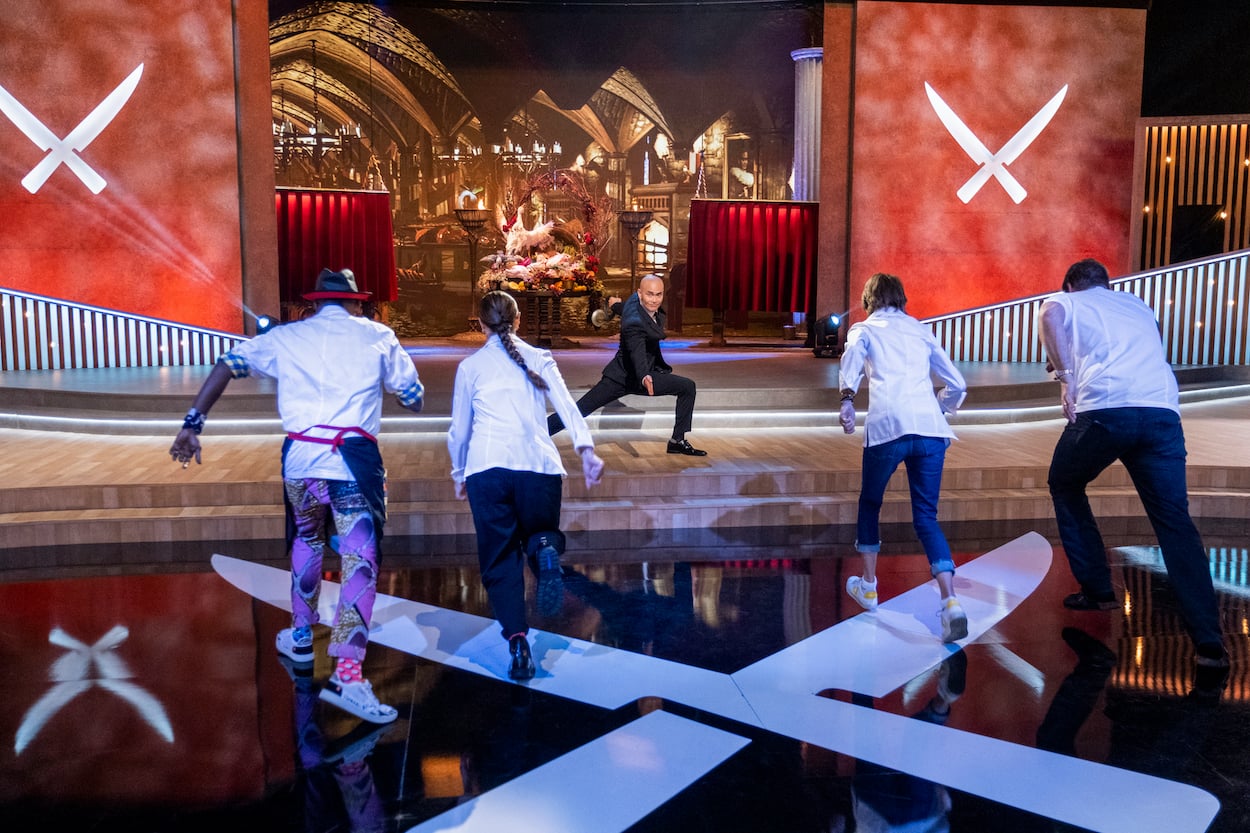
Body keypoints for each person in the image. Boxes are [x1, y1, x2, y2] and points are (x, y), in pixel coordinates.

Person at [169, 268, 424, 724]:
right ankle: (348, 675)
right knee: (359, 561)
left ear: (315, 302)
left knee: (306, 539)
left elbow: (227, 363)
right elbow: (412, 396)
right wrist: (392, 391)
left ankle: (301, 636)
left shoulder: (285, 338)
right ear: (356, 302)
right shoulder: (378, 337)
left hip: (301, 463)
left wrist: (193, 423)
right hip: (352, 465)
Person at [1039, 257, 1227, 668]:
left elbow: (1049, 315)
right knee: (1175, 521)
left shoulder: (1066, 301)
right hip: (1161, 412)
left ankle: (1098, 589)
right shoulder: (1136, 305)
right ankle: (1209, 642)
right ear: (1106, 284)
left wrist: (1066, 377)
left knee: (1065, 482)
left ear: (1070, 285)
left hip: (1106, 411)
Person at [449, 291, 605, 681]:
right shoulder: (540, 358)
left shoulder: (471, 367)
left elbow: (459, 430)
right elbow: (568, 407)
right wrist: (586, 451)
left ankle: (518, 642)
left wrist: (458, 473)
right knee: (539, 535)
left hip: (487, 470)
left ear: (480, 324)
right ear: (518, 320)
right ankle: (546, 548)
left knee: (500, 560)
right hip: (539, 467)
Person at [838, 272, 969, 642]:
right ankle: (950, 601)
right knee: (926, 517)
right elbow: (958, 383)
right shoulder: (920, 329)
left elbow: (851, 364)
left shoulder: (864, 329)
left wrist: (847, 400)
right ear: (901, 298)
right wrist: (940, 407)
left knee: (870, 503)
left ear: (868, 299)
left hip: (887, 428)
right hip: (930, 431)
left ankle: (868, 586)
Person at [547, 273, 707, 456]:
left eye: (658, 294)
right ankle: (536, 434)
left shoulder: (636, 305)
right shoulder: (634, 324)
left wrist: (614, 304)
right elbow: (636, 351)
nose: (654, 300)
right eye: (650, 294)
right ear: (640, 294)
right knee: (579, 410)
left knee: (687, 387)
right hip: (622, 378)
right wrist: (644, 375)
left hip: (643, 376)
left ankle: (677, 441)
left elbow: (625, 307)